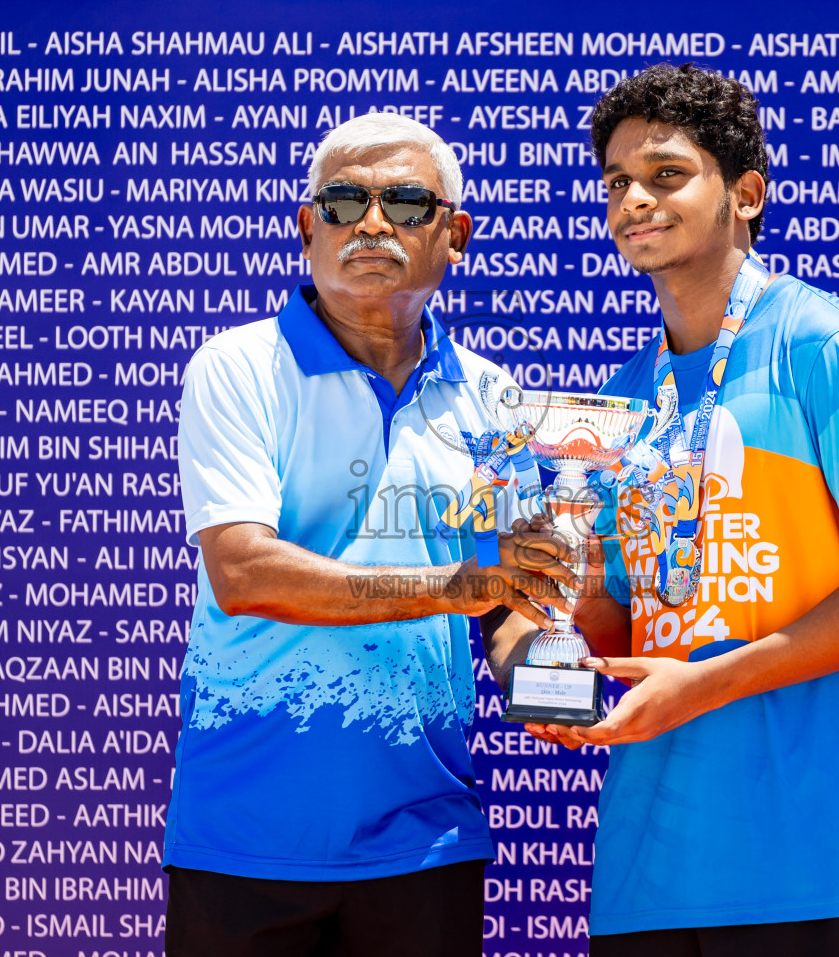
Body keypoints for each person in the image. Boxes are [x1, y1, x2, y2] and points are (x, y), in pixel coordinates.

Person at [492, 64, 839, 957]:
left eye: (666, 175)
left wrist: (704, 683)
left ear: (744, 193)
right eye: (616, 183)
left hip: (805, 862)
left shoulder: (828, 347)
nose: (635, 200)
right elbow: (613, 619)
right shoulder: (623, 398)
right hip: (647, 873)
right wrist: (554, 652)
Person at [165, 111, 571, 956]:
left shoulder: (493, 398)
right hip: (245, 837)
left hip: (426, 837)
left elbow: (509, 606)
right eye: (345, 202)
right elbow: (246, 572)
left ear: (454, 235)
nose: (372, 223)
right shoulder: (237, 367)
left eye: (406, 203)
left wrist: (548, 681)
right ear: (309, 227)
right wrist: (455, 587)